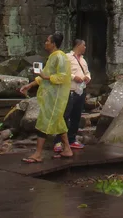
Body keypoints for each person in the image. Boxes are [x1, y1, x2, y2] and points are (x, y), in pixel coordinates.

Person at [19, 33, 72, 163]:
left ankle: (38, 154)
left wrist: (45, 77)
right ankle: (67, 149)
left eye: (47, 41)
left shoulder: (60, 57)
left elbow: (63, 77)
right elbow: (44, 76)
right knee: (58, 122)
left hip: (56, 97)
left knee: (43, 122)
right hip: (50, 95)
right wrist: (30, 85)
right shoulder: (53, 57)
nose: (45, 43)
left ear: (54, 44)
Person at [54, 39, 91, 153]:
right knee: (65, 115)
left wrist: (87, 77)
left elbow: (87, 72)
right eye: (84, 45)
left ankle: (71, 139)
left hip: (80, 90)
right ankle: (58, 141)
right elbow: (61, 71)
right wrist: (74, 76)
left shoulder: (83, 60)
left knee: (76, 116)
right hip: (70, 90)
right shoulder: (67, 57)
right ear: (78, 45)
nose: (85, 47)